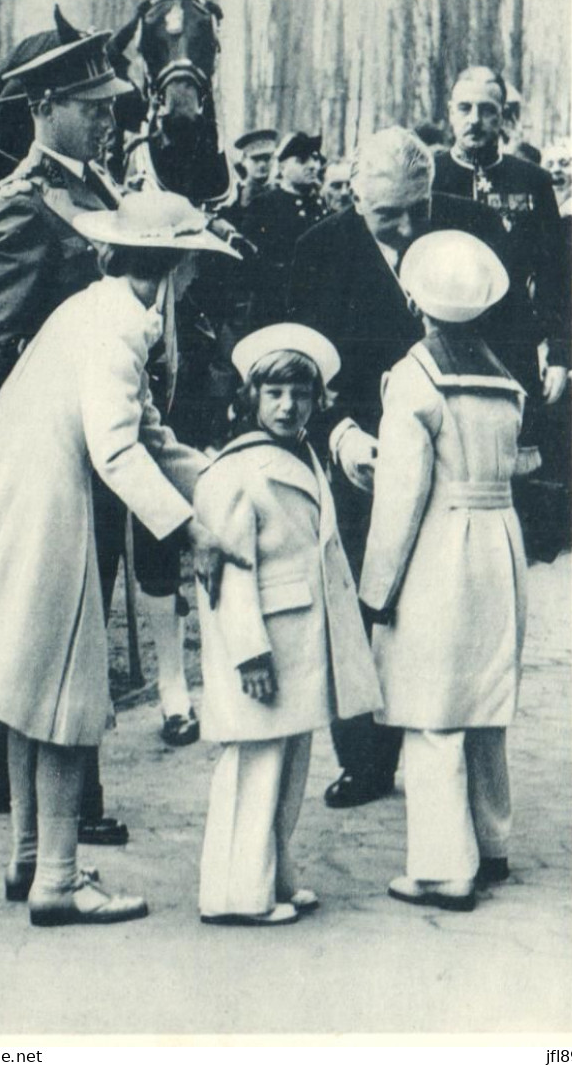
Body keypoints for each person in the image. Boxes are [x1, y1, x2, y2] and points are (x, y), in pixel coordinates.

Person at [0, 191, 244, 927]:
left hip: (18, 496)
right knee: (61, 693)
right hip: (43, 510)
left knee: (27, 686)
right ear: (174, 266)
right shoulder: (122, 324)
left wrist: (216, 475)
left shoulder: (100, 307)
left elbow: (148, 433)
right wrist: (193, 532)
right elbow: (116, 449)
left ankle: (28, 857)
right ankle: (59, 877)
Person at [288, 126, 509, 809]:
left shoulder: (472, 227)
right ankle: (366, 757)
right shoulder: (317, 251)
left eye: (421, 206)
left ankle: (445, 744)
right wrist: (339, 435)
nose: (411, 226)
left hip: (459, 459)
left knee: (443, 608)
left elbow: (512, 335)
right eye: (390, 215)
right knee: (359, 598)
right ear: (355, 198)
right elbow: (297, 366)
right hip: (362, 456)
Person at [359, 231, 527, 912]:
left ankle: (440, 867)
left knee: (432, 709)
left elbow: (400, 498)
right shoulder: (503, 378)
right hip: (499, 540)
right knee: (485, 701)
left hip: (441, 545)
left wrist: (377, 590)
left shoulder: (415, 378)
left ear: (415, 301)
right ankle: (492, 843)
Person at [194, 324, 381, 925]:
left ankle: (274, 874)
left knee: (289, 764)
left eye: (300, 393)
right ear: (251, 396)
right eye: (274, 392)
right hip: (265, 643)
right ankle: (236, 894)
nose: (287, 406)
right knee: (255, 764)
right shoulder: (237, 469)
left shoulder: (301, 453)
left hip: (300, 640)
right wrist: (247, 651)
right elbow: (227, 574)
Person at [434, 66, 571, 561]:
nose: (475, 120)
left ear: (503, 119)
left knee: (510, 475)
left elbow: (557, 274)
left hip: (512, 348)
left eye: (487, 111)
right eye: (465, 109)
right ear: (449, 113)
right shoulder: (432, 175)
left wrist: (560, 354)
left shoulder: (530, 181)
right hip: (443, 345)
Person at [242, 132, 327, 323]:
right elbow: (250, 263)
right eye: (302, 160)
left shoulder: (320, 205)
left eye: (314, 159)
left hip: (314, 308)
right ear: (282, 166)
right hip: (273, 309)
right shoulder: (264, 205)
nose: (312, 166)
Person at [228, 128, 279, 221]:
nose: (262, 164)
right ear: (243, 161)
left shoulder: (280, 191)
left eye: (267, 158)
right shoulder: (234, 194)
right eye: (255, 159)